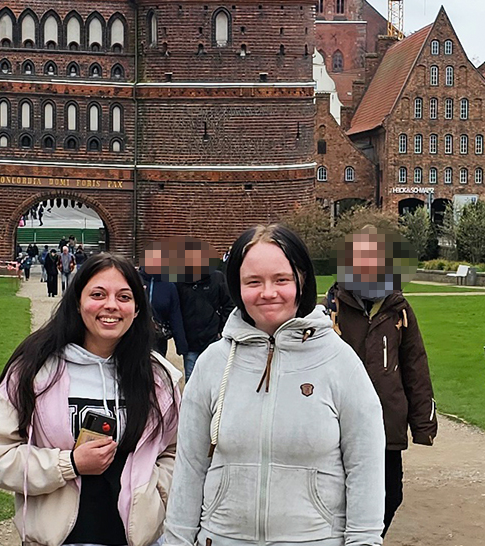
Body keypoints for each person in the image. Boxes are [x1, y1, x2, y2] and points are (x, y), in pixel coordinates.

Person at [164, 224, 386, 546]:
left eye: (281, 279)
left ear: (302, 280)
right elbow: (190, 467)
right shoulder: (213, 364)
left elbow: (365, 468)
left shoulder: (340, 362)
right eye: (253, 282)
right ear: (236, 287)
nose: (268, 292)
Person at [0, 252, 181, 546]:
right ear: (77, 301)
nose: (111, 305)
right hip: (57, 539)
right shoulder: (34, 371)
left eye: (124, 297)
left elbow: (177, 453)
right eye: (98, 294)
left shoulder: (160, 378)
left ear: (137, 308)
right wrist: (69, 464)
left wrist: (157, 492)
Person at [323, 227, 437, 536]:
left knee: (391, 494)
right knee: (340, 494)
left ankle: (369, 539)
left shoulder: (399, 308)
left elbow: (415, 364)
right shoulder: (331, 308)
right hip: (339, 422)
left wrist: (423, 423)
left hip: (387, 420)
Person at [174, 239, 233, 381]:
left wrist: (221, 330)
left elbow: (228, 305)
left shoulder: (217, 278)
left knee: (215, 380)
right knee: (192, 382)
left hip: (213, 339)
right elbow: (176, 311)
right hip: (191, 342)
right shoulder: (180, 281)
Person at [139, 243, 186, 358]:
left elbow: (175, 316)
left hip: (158, 339)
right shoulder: (135, 279)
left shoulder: (169, 286)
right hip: (135, 336)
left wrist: (181, 344)